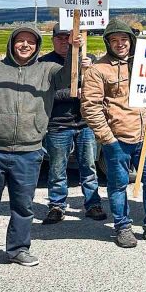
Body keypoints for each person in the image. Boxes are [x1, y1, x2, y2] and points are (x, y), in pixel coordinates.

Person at [0, 26, 60, 272]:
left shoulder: (47, 71)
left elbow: (72, 74)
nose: (25, 45)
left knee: (23, 207)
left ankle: (18, 250)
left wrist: (77, 51)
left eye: (31, 41)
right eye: (20, 40)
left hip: (29, 152)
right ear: (11, 43)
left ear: (37, 46)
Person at [80, 19, 146, 248]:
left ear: (131, 41)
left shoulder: (145, 64)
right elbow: (90, 108)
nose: (120, 44)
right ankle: (122, 226)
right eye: (114, 40)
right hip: (117, 139)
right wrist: (107, 138)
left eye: (124, 39)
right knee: (118, 185)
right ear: (108, 42)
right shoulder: (98, 70)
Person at [39, 23, 105, 224]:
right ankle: (57, 206)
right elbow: (46, 94)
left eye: (68, 37)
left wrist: (90, 72)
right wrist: (73, 92)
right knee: (57, 168)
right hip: (57, 124)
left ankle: (93, 204)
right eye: (60, 38)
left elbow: (99, 89)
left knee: (89, 166)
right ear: (53, 40)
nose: (64, 42)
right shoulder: (43, 64)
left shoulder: (87, 59)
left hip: (84, 122)